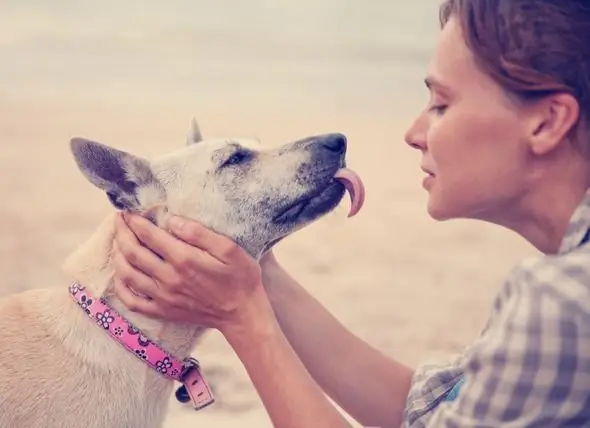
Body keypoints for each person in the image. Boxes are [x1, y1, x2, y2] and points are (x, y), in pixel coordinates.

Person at [110, 0, 590, 426]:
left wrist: (242, 316)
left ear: (547, 122)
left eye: (442, 104)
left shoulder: (559, 302)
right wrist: (257, 275)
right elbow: (426, 410)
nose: (413, 131)